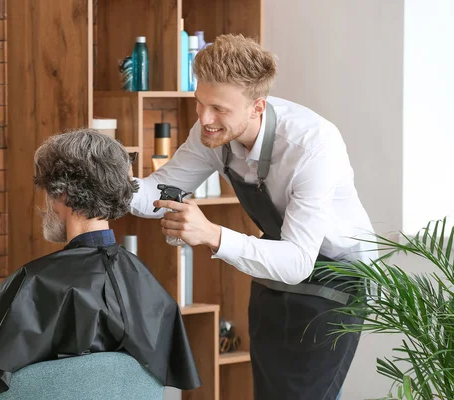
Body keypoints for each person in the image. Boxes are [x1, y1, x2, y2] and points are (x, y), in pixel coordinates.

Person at [130, 34, 378, 400]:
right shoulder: (211, 132)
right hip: (273, 270)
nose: (204, 119)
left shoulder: (312, 146)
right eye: (200, 104)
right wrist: (104, 183)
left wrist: (212, 234)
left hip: (336, 281)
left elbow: (297, 261)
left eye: (219, 109)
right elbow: (159, 189)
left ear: (257, 107)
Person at [0, 130, 201, 400]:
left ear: (63, 197)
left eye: (48, 195)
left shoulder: (36, 281)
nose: (47, 205)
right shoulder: (146, 282)